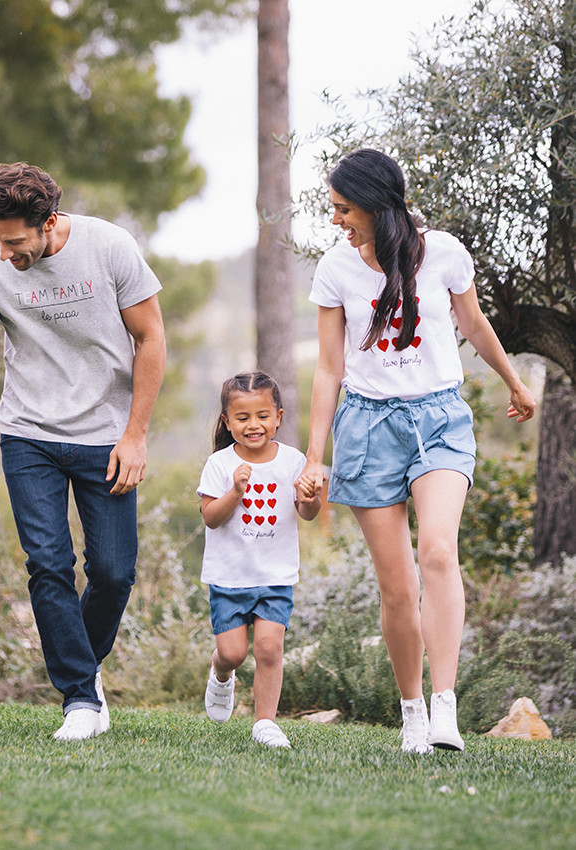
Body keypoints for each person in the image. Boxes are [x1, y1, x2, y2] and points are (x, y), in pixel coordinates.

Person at [299, 148, 536, 754]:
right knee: (397, 586)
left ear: (378, 206)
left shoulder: (446, 253)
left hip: (438, 418)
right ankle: (411, 712)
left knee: (437, 549)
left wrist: (512, 380)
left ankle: (444, 708)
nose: (337, 221)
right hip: (367, 426)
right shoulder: (335, 268)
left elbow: (475, 324)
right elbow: (328, 368)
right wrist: (313, 456)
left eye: (344, 209)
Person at [0, 162, 166, 741]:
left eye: (14, 242)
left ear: (49, 222)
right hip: (28, 433)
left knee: (112, 574)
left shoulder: (108, 246)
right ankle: (81, 699)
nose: (4, 254)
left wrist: (135, 434)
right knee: (47, 564)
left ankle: (80, 667)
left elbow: (151, 338)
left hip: (106, 436)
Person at [198, 371, 321, 748]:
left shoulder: (293, 460)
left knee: (269, 648)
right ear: (227, 422)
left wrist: (311, 497)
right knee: (233, 653)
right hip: (230, 577)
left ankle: (265, 722)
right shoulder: (219, 464)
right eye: (243, 417)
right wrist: (235, 491)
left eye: (263, 416)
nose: (254, 425)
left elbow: (308, 513)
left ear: (279, 417)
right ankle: (221, 673)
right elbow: (211, 518)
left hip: (275, 575)